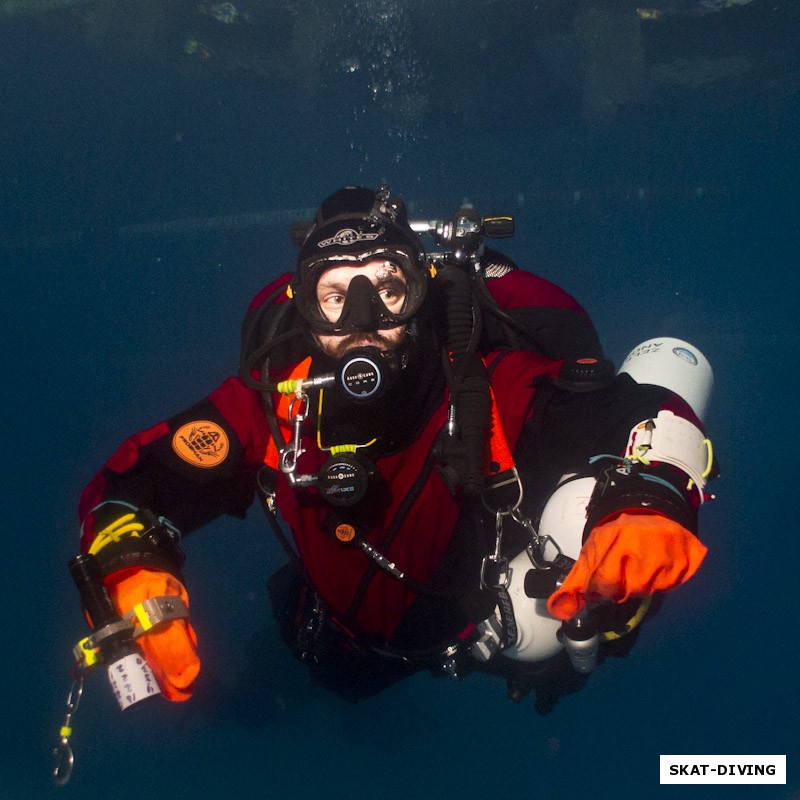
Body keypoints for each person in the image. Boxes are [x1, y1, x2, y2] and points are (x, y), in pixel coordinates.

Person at [73, 185, 714, 713]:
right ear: (304, 310)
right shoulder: (273, 402)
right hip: (339, 637)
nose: (359, 319)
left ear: (422, 293)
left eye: (387, 289)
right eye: (334, 296)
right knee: (301, 674)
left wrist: (649, 496)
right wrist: (131, 566)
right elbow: (135, 483)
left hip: (487, 629)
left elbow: (630, 413)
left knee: (555, 652)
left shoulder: (489, 387)